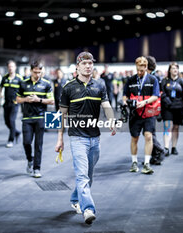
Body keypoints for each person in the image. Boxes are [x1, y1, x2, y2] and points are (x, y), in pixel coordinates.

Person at [55, 51, 116, 224]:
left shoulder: (99, 86)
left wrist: (111, 119)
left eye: (91, 63)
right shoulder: (68, 88)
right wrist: (60, 138)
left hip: (94, 138)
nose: (88, 66)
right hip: (77, 138)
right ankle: (88, 209)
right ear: (77, 66)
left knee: (88, 175)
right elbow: (62, 115)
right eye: (85, 63)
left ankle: (75, 199)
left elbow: (106, 105)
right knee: (82, 176)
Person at [16, 61, 54, 178]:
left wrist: (39, 100)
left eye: (39, 72)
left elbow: (52, 101)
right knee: (26, 142)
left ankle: (37, 168)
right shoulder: (23, 83)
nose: (37, 74)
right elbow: (17, 99)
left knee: (38, 144)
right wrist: (26, 99)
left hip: (40, 117)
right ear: (31, 71)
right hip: (27, 118)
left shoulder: (47, 84)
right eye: (35, 72)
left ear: (42, 71)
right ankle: (30, 159)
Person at [123, 56, 160, 174]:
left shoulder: (153, 80)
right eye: (138, 70)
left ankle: (147, 164)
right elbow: (125, 95)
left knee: (149, 136)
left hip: (149, 112)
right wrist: (125, 102)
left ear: (146, 68)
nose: (139, 72)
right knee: (135, 138)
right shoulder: (130, 80)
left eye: (142, 70)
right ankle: (134, 163)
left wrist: (144, 102)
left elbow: (156, 96)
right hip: (135, 114)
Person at [161, 63, 183, 156]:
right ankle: (166, 148)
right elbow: (161, 92)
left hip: (179, 107)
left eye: (176, 68)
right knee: (167, 126)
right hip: (167, 107)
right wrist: (165, 98)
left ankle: (174, 147)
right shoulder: (164, 81)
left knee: (176, 127)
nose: (175, 70)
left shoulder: (182, 81)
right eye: (173, 68)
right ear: (169, 70)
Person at [0, 60, 23, 148]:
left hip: (15, 103)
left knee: (12, 120)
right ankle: (16, 132)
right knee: (7, 122)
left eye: (12, 66)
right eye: (9, 66)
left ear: (15, 67)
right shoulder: (4, 78)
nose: (10, 68)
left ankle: (11, 140)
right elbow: (0, 88)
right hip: (6, 103)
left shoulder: (19, 78)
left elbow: (23, 90)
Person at [145, 56, 165, 165]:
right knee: (150, 132)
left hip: (152, 107)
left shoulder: (154, 77)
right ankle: (155, 155)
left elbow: (160, 93)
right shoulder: (148, 76)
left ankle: (159, 150)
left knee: (148, 132)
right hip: (147, 107)